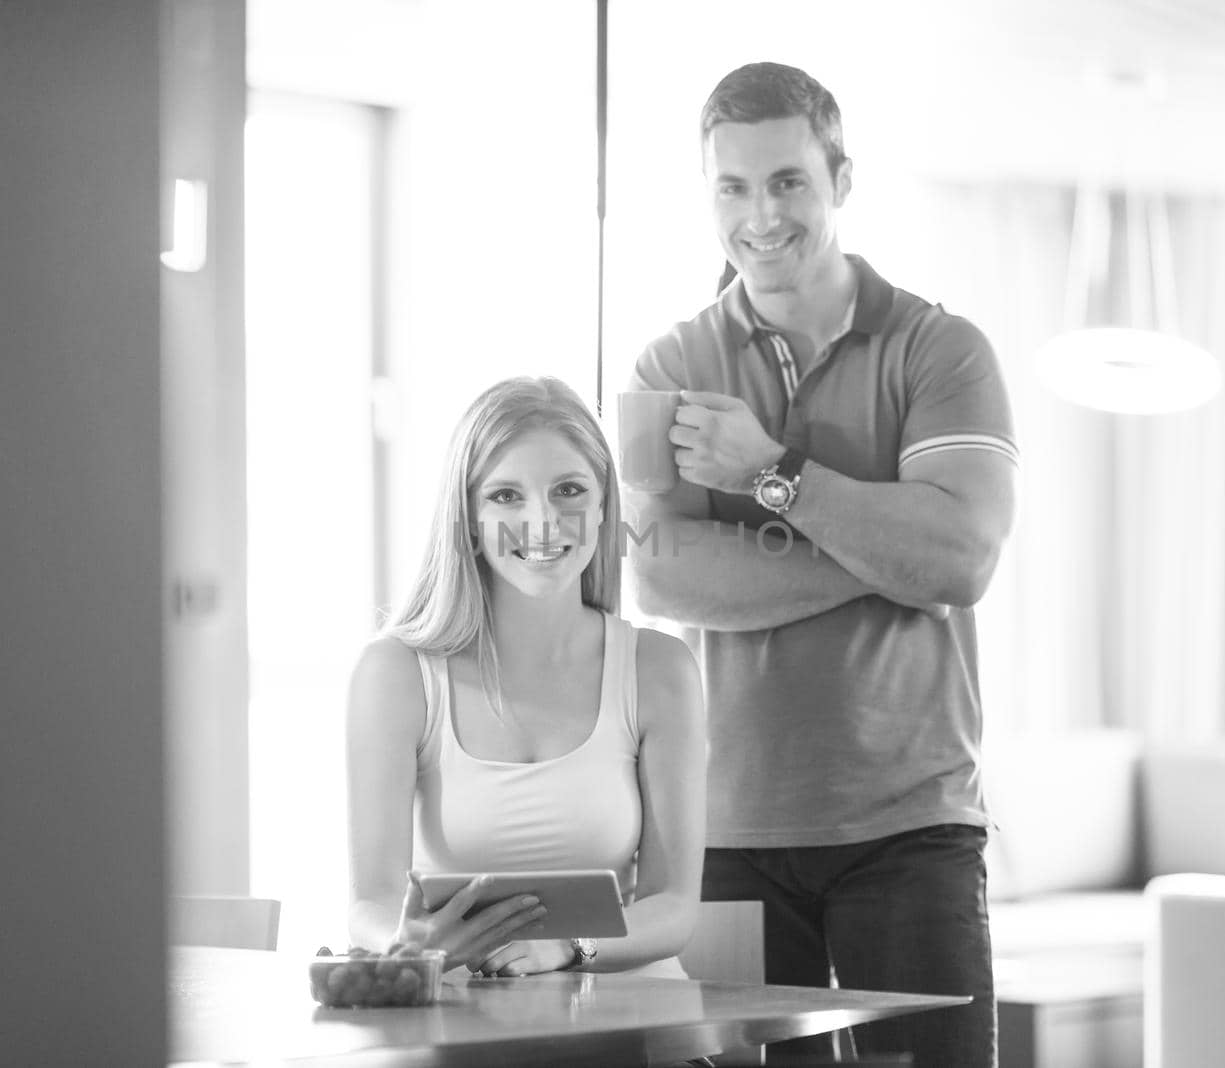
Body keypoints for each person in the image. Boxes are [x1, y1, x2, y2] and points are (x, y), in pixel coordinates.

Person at [625, 62, 1018, 1064]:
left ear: (840, 179)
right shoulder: (666, 371)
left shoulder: (940, 351)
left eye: (788, 181)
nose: (761, 215)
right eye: (733, 187)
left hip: (910, 828)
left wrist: (771, 474)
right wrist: (885, 556)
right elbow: (660, 576)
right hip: (726, 834)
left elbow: (961, 558)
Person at [347, 375, 705, 979]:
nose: (542, 522)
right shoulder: (396, 674)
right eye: (506, 496)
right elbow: (369, 905)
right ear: (468, 518)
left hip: (633, 1025)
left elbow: (672, 907)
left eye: (568, 489)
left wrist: (570, 947)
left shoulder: (660, 669)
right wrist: (407, 945)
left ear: (603, 505)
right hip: (463, 1028)